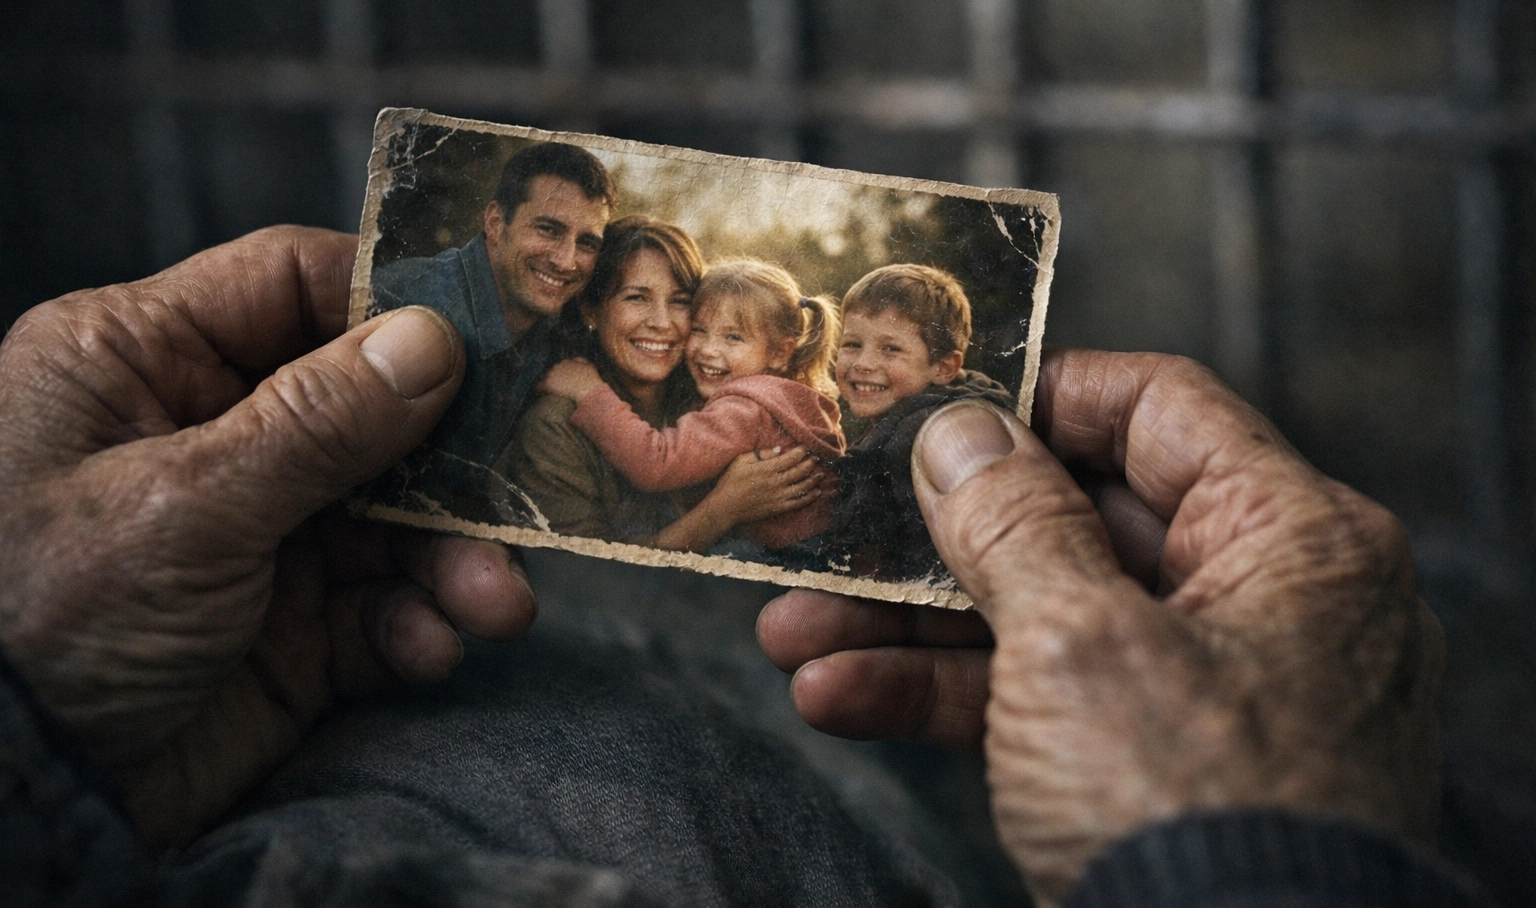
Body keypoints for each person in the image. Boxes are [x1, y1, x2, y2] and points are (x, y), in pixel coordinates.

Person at [0, 225, 1500, 906]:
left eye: (717, 324)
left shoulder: (762, 410)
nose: (691, 342)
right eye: (662, 313)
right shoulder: (731, 400)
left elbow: (679, 479)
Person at [507, 217, 826, 551]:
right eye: (637, 298)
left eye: (679, 301)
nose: (660, 322)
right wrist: (721, 511)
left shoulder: (714, 396)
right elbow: (587, 574)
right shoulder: (554, 427)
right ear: (591, 310)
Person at [371, 141, 615, 469]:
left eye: (586, 243)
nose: (567, 261)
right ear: (496, 223)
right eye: (549, 229)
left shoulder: (546, 325)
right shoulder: (418, 306)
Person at [824, 263, 1014, 578]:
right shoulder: (901, 420)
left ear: (943, 368)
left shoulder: (916, 440)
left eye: (891, 349)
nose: (864, 363)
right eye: (852, 344)